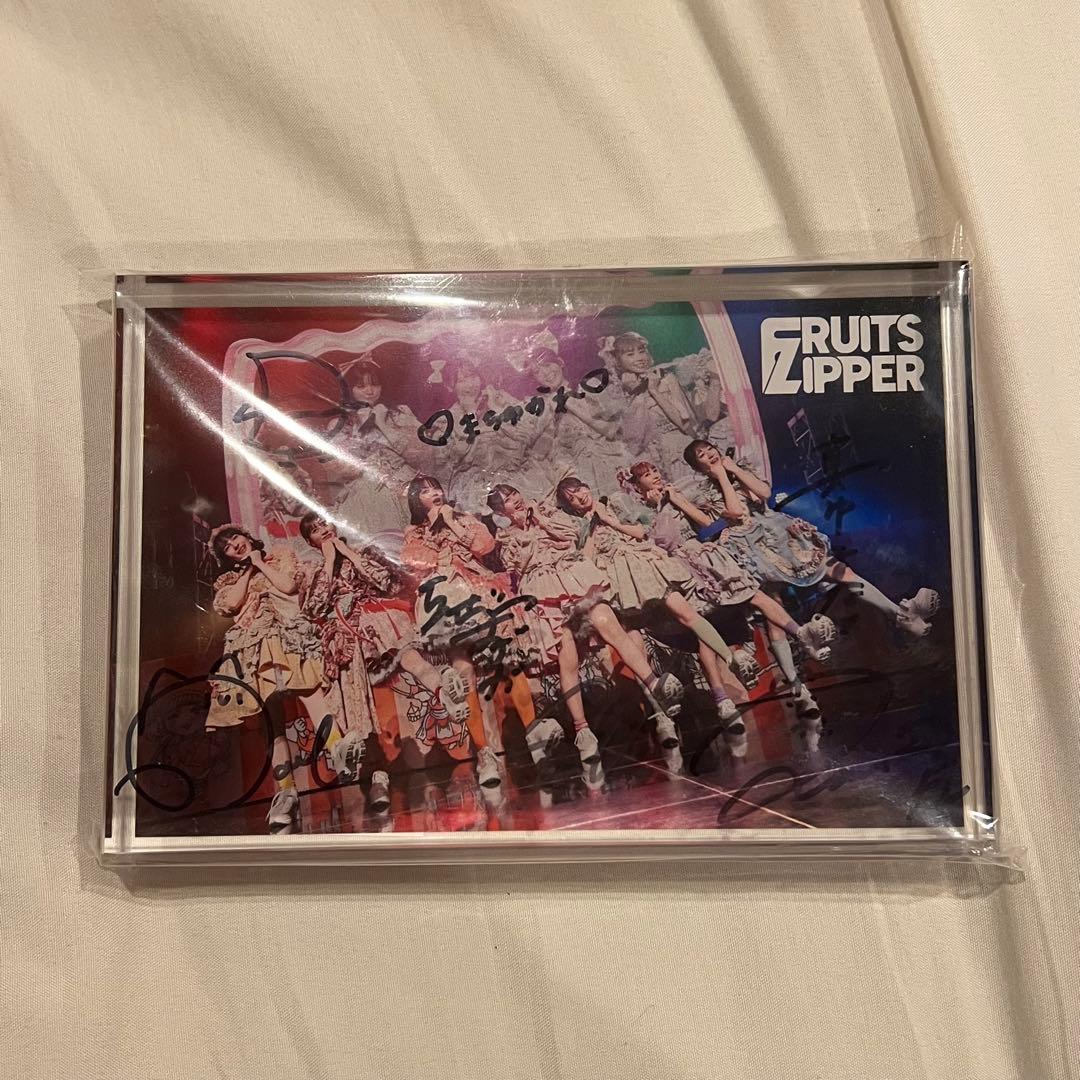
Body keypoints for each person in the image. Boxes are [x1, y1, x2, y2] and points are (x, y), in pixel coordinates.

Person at [683, 438, 940, 718]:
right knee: (775, 616)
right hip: (751, 549)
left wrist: (733, 469)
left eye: (709, 449)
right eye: (702, 456)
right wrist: (722, 475)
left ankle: (901, 615)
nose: (710, 454)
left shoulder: (740, 467)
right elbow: (734, 512)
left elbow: (763, 493)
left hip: (779, 533)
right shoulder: (704, 496)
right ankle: (798, 688)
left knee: (842, 572)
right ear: (699, 468)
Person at [488, 484, 676, 763]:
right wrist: (524, 529)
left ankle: (654, 684)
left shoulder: (547, 512)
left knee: (607, 621)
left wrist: (540, 519)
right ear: (500, 511)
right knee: (568, 658)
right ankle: (583, 731)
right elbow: (518, 564)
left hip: (573, 575)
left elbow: (570, 536)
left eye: (515, 493)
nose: (515, 499)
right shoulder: (506, 536)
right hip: (542, 588)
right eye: (506, 500)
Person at [554, 476, 744, 742]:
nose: (579, 497)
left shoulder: (615, 502)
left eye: (579, 490)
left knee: (686, 611)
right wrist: (592, 529)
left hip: (642, 566)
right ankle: (661, 713)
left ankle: (731, 667)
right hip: (615, 581)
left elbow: (644, 531)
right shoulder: (581, 526)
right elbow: (586, 561)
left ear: (587, 487)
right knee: (634, 642)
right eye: (572, 498)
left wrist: (610, 521)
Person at [299, 513, 470, 791]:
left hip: (376, 617)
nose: (323, 530)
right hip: (346, 634)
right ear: (311, 542)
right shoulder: (312, 570)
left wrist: (350, 556)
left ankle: (444, 692)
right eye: (315, 530)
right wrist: (329, 562)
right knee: (355, 694)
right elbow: (314, 608)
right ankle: (370, 769)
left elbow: (386, 583)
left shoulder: (362, 552)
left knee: (410, 657)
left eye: (324, 523)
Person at [623, 460, 836, 674]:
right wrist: (660, 507)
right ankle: (731, 670)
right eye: (646, 475)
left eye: (655, 470)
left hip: (706, 555)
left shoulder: (676, 493)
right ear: (638, 485)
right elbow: (664, 541)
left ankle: (800, 633)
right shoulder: (642, 512)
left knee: (756, 595)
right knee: (713, 620)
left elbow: (706, 522)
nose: (655, 475)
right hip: (680, 567)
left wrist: (677, 500)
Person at [400, 476, 538, 786]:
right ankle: (484, 754)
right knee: (464, 671)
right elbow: (417, 562)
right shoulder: (415, 532)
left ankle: (535, 736)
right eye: (425, 491)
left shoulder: (463, 517)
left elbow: (484, 546)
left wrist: (451, 520)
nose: (434, 493)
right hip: (446, 599)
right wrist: (436, 533)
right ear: (416, 500)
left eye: (436, 487)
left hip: (480, 589)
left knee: (508, 660)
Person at [205, 524, 335, 834]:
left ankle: (341, 752)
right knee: (271, 718)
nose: (234, 545)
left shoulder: (279, 556)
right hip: (252, 647)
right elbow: (230, 604)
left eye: (235, 538)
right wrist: (248, 571)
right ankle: (285, 793)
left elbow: (288, 586)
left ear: (246, 537)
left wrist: (260, 563)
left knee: (310, 691)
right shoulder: (228, 580)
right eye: (227, 547)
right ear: (226, 557)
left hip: (287, 634)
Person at [600, 331, 732, 481]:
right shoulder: (618, 393)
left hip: (679, 453)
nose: (640, 358)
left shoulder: (666, 379)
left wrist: (655, 391)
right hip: (650, 462)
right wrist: (633, 394)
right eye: (630, 354)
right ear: (617, 360)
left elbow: (688, 426)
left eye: (642, 351)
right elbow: (631, 440)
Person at [332, 357, 432, 536]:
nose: (370, 391)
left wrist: (382, 424)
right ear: (349, 390)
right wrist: (360, 429)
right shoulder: (340, 424)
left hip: (407, 482)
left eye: (375, 384)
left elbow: (421, 453)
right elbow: (344, 470)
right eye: (361, 386)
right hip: (368, 490)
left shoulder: (400, 413)